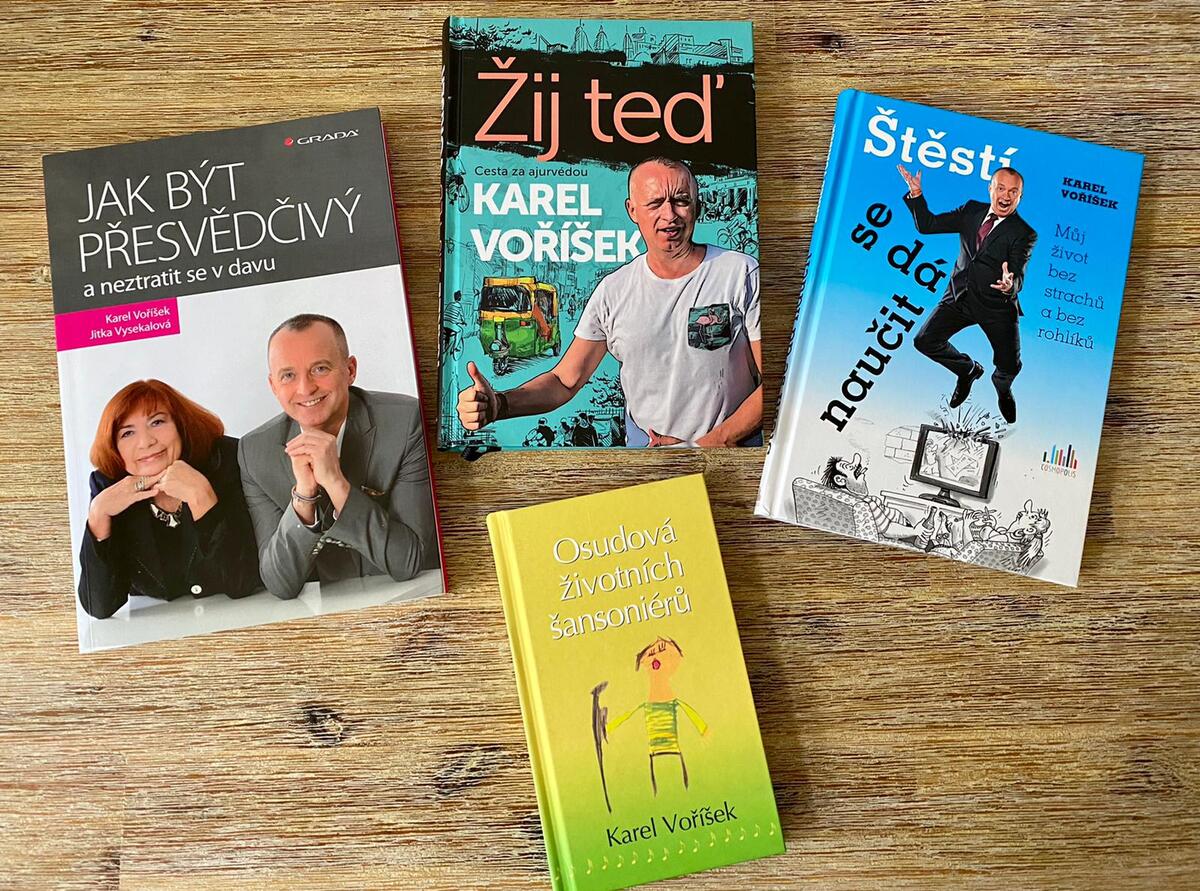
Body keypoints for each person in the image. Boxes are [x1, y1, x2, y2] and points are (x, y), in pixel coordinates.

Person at [458, 156, 762, 447]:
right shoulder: (613, 291)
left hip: (731, 456)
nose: (669, 215)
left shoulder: (740, 273)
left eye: (681, 200)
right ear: (633, 210)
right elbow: (564, 381)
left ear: (697, 205)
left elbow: (776, 381)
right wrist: (500, 404)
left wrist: (713, 443)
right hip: (647, 458)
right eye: (655, 203)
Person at [238, 313, 439, 599]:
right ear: (273, 386)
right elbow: (280, 584)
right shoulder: (255, 452)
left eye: (320, 369)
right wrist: (304, 497)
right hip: (335, 612)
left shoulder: (406, 422)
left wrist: (336, 484)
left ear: (350, 370)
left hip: (418, 596)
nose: (305, 388)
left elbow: (408, 560)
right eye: (288, 375)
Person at [78, 380, 262, 619]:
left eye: (157, 422)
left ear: (180, 425)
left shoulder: (226, 460)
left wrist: (202, 497)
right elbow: (99, 607)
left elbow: (242, 581)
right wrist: (98, 514)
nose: (146, 442)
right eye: (127, 433)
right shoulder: (108, 485)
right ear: (115, 447)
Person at [898, 164, 1037, 423]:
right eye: (1001, 188)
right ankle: (968, 370)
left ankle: (1003, 389)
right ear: (990, 189)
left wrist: (1010, 284)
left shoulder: (1024, 233)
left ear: (1020, 197)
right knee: (924, 341)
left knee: (1009, 366)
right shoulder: (971, 210)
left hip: (996, 305)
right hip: (959, 296)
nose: (1006, 196)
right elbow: (928, 225)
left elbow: (1018, 272)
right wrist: (916, 195)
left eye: (1013, 192)